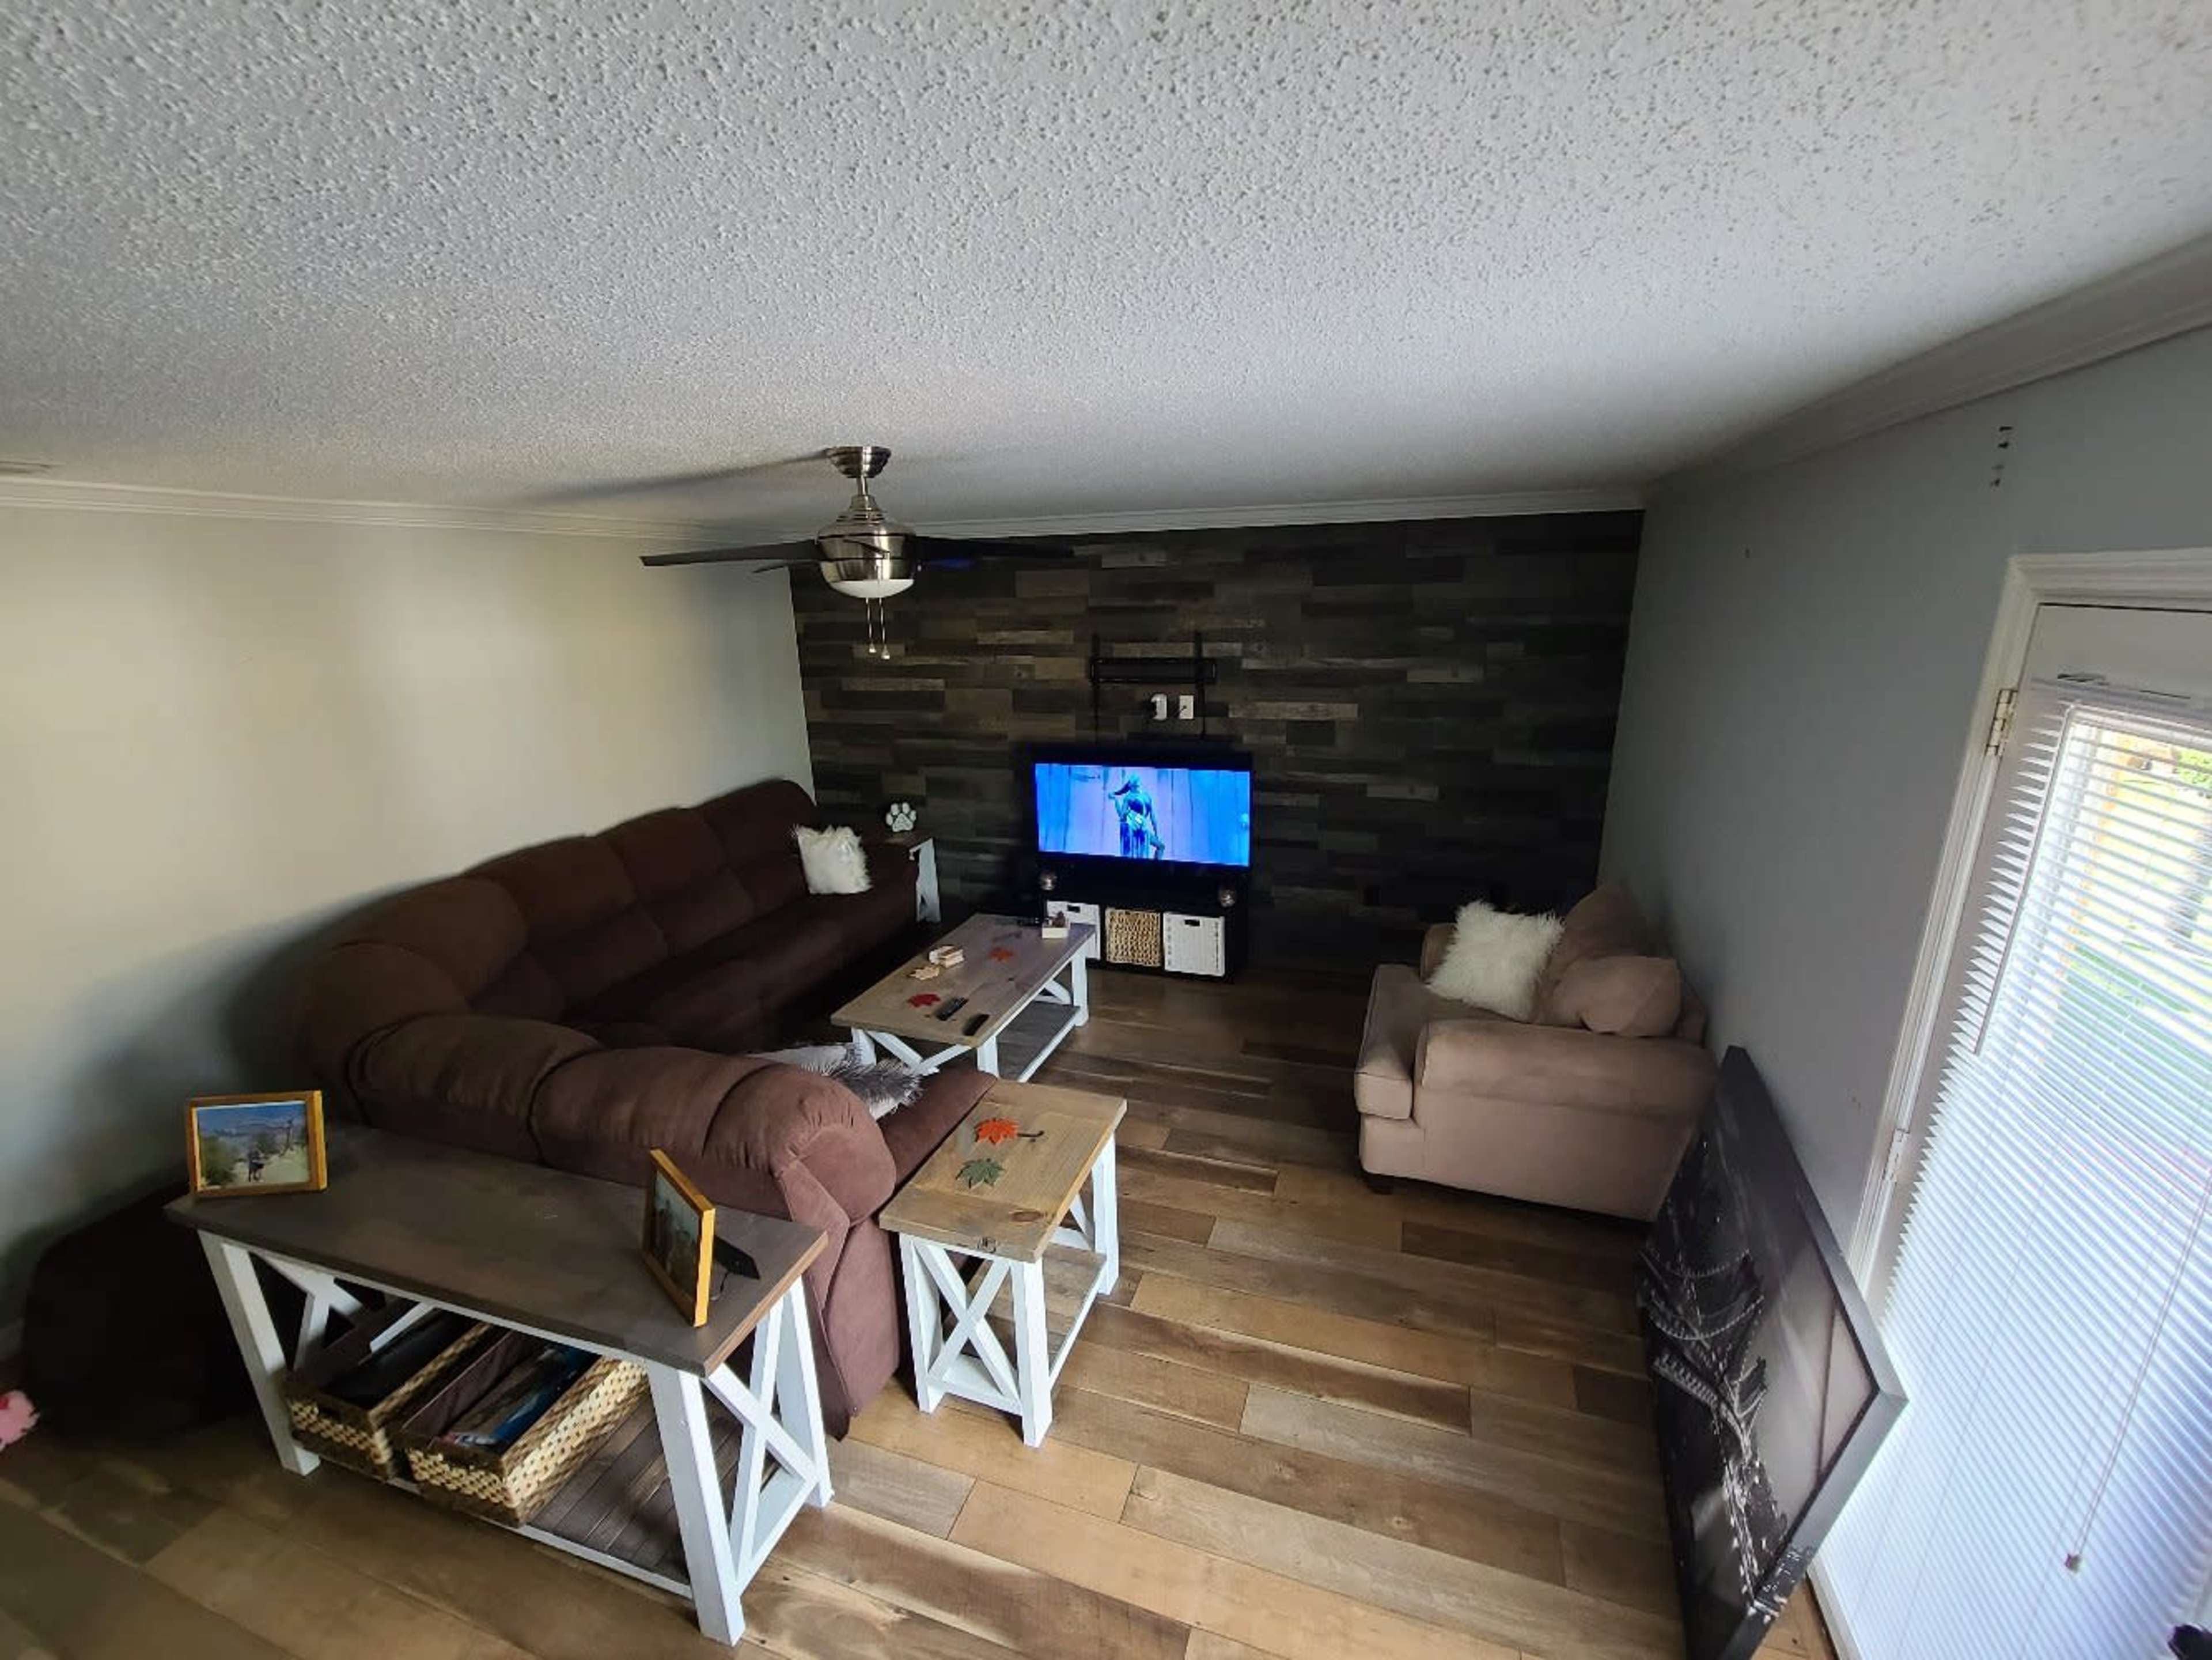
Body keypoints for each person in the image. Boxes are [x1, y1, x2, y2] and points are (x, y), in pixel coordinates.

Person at [1109, 774, 1165, 859]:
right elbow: (1122, 817)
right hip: (1133, 830)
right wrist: (1116, 801)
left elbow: (1152, 817)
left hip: (1143, 829)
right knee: (1139, 855)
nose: (1137, 787)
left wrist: (1156, 833)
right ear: (1131, 786)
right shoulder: (1129, 798)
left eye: (1138, 785)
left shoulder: (1146, 796)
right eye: (1135, 785)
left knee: (1161, 846)